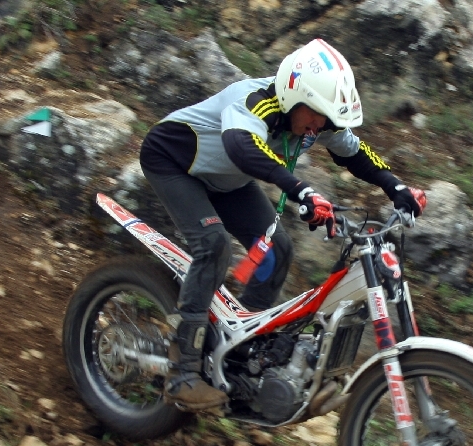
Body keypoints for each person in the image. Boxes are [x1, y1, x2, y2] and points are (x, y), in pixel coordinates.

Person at [139, 38, 426, 411]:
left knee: (276, 251)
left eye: (326, 120)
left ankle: (236, 353)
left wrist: (396, 187)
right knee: (213, 245)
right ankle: (183, 372)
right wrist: (301, 191)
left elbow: (354, 151)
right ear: (294, 95)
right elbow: (241, 146)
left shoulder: (316, 120)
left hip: (227, 180)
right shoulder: (255, 100)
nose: (318, 126)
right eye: (316, 115)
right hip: (174, 163)